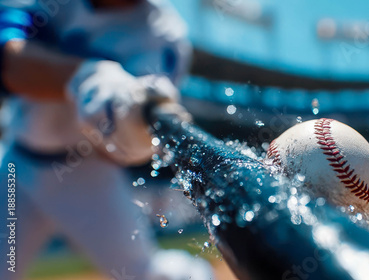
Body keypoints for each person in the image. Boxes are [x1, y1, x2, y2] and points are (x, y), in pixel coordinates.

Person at [0, 0, 215, 279]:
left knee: (143, 274)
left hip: (87, 175)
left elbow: (133, 147)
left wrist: (127, 130)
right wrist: (86, 76)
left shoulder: (162, 32)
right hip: (17, 166)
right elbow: (9, 63)